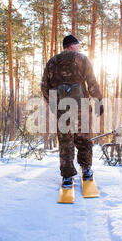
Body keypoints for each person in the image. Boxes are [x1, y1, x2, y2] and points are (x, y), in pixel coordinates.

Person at [41, 35, 103, 189]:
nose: (79, 47)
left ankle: (67, 177)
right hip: (81, 108)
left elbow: (44, 86)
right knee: (84, 140)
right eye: (77, 45)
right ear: (70, 46)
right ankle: (86, 169)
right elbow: (92, 82)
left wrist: (54, 105)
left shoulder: (52, 62)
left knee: (65, 142)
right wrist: (98, 101)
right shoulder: (82, 59)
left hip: (63, 109)